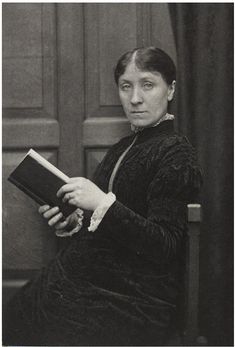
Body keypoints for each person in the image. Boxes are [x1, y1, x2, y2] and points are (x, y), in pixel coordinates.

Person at [3, 47, 202, 346]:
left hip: (135, 299)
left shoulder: (176, 153)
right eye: (126, 86)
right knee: (16, 313)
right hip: (90, 280)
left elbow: (166, 245)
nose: (135, 98)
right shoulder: (120, 148)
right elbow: (104, 229)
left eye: (148, 84)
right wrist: (71, 220)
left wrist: (101, 204)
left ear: (170, 89)